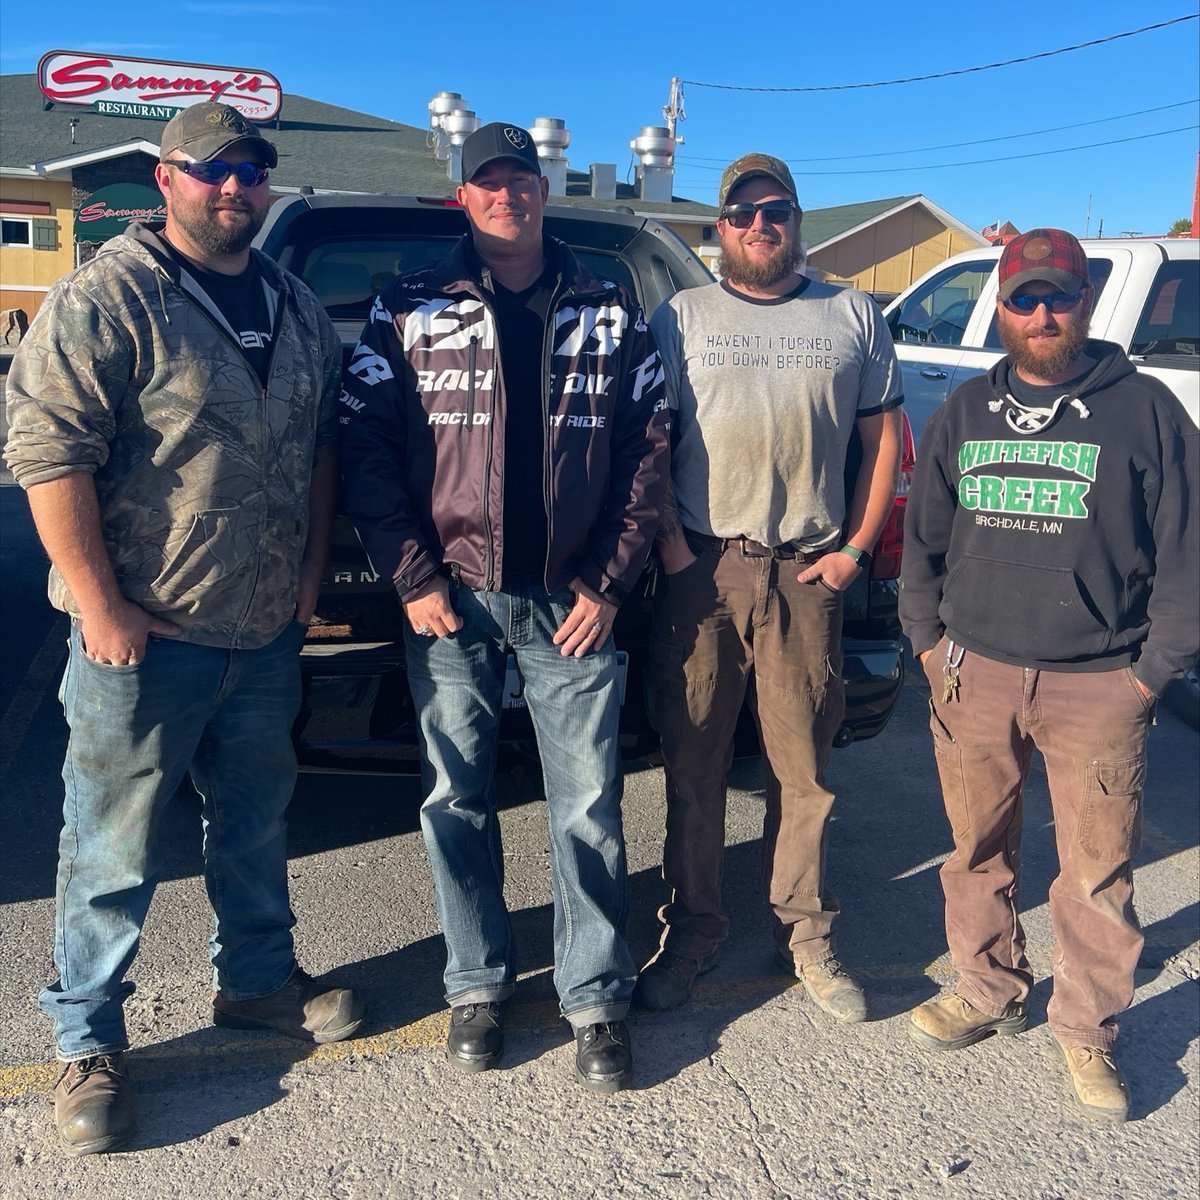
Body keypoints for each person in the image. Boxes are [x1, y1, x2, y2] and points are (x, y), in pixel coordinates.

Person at [4, 102, 363, 1157]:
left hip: (261, 629)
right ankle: (87, 1038)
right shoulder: (112, 295)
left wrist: (307, 577)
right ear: (168, 178)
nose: (235, 188)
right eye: (215, 171)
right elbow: (46, 450)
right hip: (145, 634)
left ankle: (255, 983)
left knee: (253, 820)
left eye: (252, 170)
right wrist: (100, 602)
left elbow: (322, 448)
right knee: (110, 844)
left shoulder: (294, 304)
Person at [337, 122, 668, 1093]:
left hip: (574, 603)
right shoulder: (411, 304)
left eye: (522, 179)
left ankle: (595, 999)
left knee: (590, 809)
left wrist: (609, 582)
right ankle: (477, 985)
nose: (508, 195)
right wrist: (413, 575)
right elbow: (363, 443)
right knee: (455, 799)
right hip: (451, 602)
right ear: (465, 198)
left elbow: (651, 446)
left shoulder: (610, 304)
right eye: (489, 182)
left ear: (543, 188)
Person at [899, 228, 1198, 1124]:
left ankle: (1086, 1030)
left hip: (1100, 684)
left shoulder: (1144, 411)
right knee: (975, 851)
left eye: (1056, 297)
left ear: (1083, 303)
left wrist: (1150, 676)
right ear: (999, 305)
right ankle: (988, 989)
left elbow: (1187, 558)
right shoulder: (964, 411)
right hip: (974, 674)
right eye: (1023, 298)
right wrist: (926, 641)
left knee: (1096, 872)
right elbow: (925, 541)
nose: (1039, 314)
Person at [637, 154, 903, 1020]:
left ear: (799, 220)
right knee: (695, 764)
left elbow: (884, 443)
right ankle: (693, 933)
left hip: (807, 572)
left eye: (777, 210)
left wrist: (856, 551)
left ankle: (810, 938)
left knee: (803, 771)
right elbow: (650, 440)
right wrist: (675, 553)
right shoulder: (681, 316)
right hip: (704, 572)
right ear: (719, 227)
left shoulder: (852, 314)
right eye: (743, 212)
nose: (761, 224)